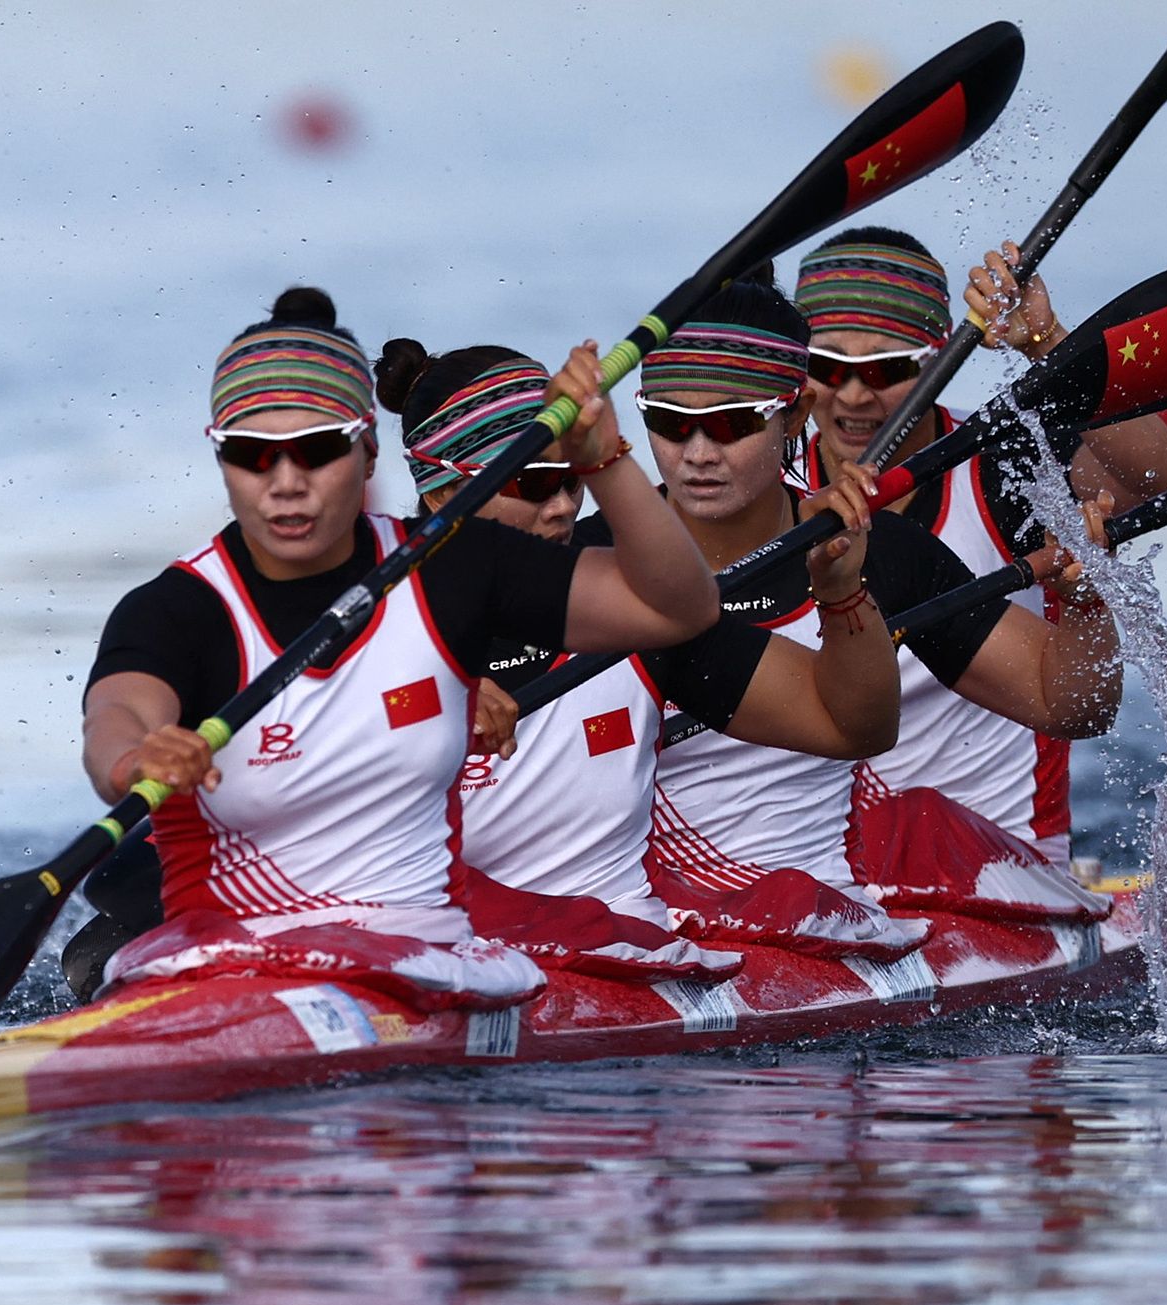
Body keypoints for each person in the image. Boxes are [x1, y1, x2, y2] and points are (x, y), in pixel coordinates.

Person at [72, 287, 719, 1002]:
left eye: (316, 451)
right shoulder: (178, 609)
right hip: (229, 969)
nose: (286, 484)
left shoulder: (452, 566)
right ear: (221, 458)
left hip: (423, 967)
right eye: (254, 455)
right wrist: (136, 758)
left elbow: (679, 608)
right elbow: (116, 717)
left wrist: (607, 461)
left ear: (369, 451)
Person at [372, 334, 914, 966]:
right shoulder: (361, 631)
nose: (562, 510)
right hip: (434, 948)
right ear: (443, 495)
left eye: (572, 482)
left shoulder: (630, 618)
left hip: (619, 960)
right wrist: (419, 706)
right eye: (533, 485)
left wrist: (841, 593)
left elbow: (855, 727)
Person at [631, 282, 1121, 945]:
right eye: (666, 420)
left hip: (820, 911)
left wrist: (1087, 603)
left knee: (912, 819)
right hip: (644, 904)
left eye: (731, 423)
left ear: (796, 412)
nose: (696, 453)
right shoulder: (590, 568)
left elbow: (1072, 706)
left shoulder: (876, 553)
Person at [792, 229, 1167, 861]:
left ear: (938, 361)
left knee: (915, 824)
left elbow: (1159, 487)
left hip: (1001, 867)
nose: (854, 396)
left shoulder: (1004, 459)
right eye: (827, 368)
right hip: (823, 871)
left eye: (887, 370)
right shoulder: (762, 485)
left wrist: (1047, 344)